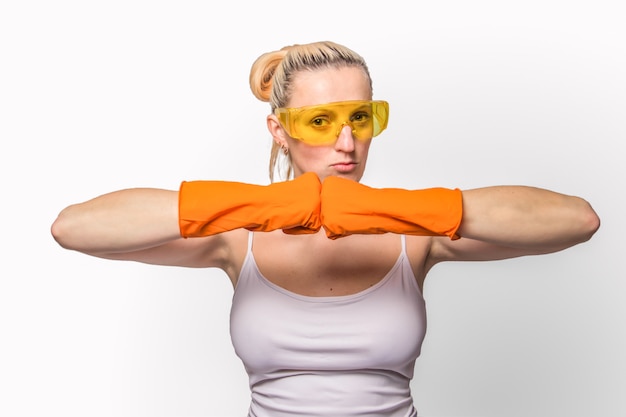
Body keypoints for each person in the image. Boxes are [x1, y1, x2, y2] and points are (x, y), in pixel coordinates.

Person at [50, 40, 600, 417]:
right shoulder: (234, 237)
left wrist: (387, 210)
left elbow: (577, 220)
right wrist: (273, 202)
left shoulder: (414, 233)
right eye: (321, 121)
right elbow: (75, 228)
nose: (346, 142)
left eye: (361, 117)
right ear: (279, 131)